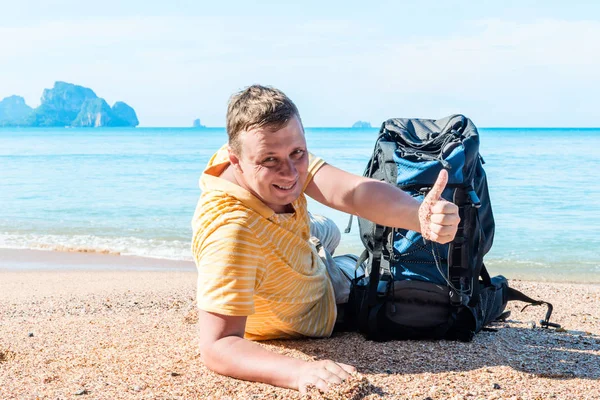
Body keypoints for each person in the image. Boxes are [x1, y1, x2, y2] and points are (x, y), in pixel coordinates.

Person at [191, 85, 460, 394]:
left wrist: (417, 216)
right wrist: (297, 371)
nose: (291, 173)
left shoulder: (260, 149)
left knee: (327, 228)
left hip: (295, 242)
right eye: (270, 161)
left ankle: (319, 240)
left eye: (298, 153)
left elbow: (351, 192)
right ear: (235, 160)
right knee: (353, 272)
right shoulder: (232, 235)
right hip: (314, 297)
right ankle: (331, 260)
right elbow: (218, 345)